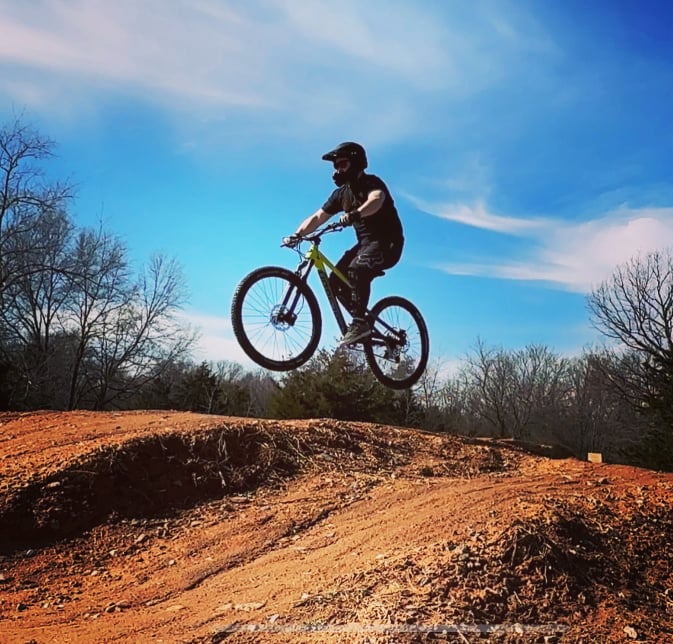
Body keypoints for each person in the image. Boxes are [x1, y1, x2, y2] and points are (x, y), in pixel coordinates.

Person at [285, 141, 404, 346]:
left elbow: (377, 199)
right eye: (336, 166)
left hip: (388, 242)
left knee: (357, 269)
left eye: (342, 164)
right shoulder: (341, 195)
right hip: (365, 244)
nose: (338, 170)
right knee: (335, 283)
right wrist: (297, 234)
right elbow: (318, 217)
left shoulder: (371, 183)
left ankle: (359, 323)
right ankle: (362, 321)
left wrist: (356, 213)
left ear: (356, 163)